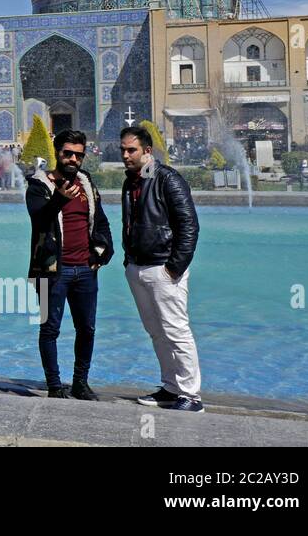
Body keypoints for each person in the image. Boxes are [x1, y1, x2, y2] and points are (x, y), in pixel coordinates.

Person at [120, 125, 204, 413]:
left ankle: (191, 395)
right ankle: (171, 387)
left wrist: (174, 267)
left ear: (147, 151)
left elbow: (189, 226)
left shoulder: (168, 179)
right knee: (156, 331)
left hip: (163, 269)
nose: (125, 155)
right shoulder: (131, 182)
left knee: (176, 330)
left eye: (131, 150)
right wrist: (128, 259)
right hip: (138, 267)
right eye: (123, 150)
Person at [26, 130, 113, 400]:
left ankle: (80, 382)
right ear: (57, 153)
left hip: (85, 270)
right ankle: (54, 385)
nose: (73, 159)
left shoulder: (87, 183)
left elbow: (100, 221)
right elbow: (39, 219)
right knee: (49, 328)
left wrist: (102, 254)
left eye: (78, 154)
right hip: (51, 270)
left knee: (86, 328)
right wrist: (60, 198)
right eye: (68, 153)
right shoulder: (39, 185)